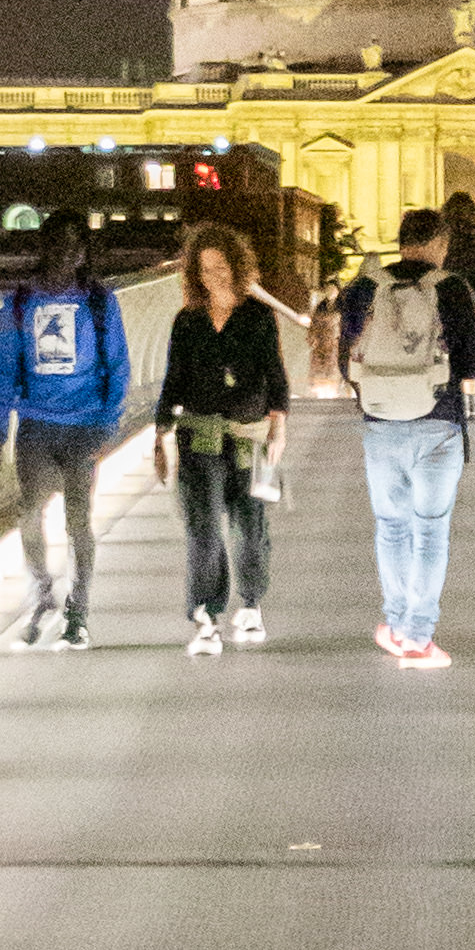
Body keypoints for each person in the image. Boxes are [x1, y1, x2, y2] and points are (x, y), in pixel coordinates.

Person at [331, 208, 475, 668]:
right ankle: (419, 636)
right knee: (430, 531)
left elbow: (346, 360)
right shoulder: (452, 288)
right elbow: (474, 363)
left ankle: (397, 624)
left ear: (401, 243)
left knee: (391, 527)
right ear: (440, 244)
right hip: (438, 423)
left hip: (380, 425)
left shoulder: (365, 287)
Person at [0, 217, 130, 651]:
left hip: (85, 424)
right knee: (29, 512)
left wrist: (110, 422)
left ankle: (77, 612)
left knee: (78, 520)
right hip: (36, 423)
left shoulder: (100, 302)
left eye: (75, 247)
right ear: (45, 247)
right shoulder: (20, 303)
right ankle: (42, 593)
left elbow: (118, 362)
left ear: (84, 253)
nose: (67, 254)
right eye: (59, 245)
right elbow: (4, 366)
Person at [153, 222, 288, 656]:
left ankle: (250, 605)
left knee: (250, 527)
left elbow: (275, 375)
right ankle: (206, 616)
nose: (213, 277)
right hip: (199, 437)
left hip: (250, 437)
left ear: (237, 267)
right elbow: (174, 379)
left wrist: (279, 426)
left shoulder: (258, 316)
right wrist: (160, 433)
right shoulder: (187, 321)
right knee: (204, 529)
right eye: (205, 269)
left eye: (221, 267)